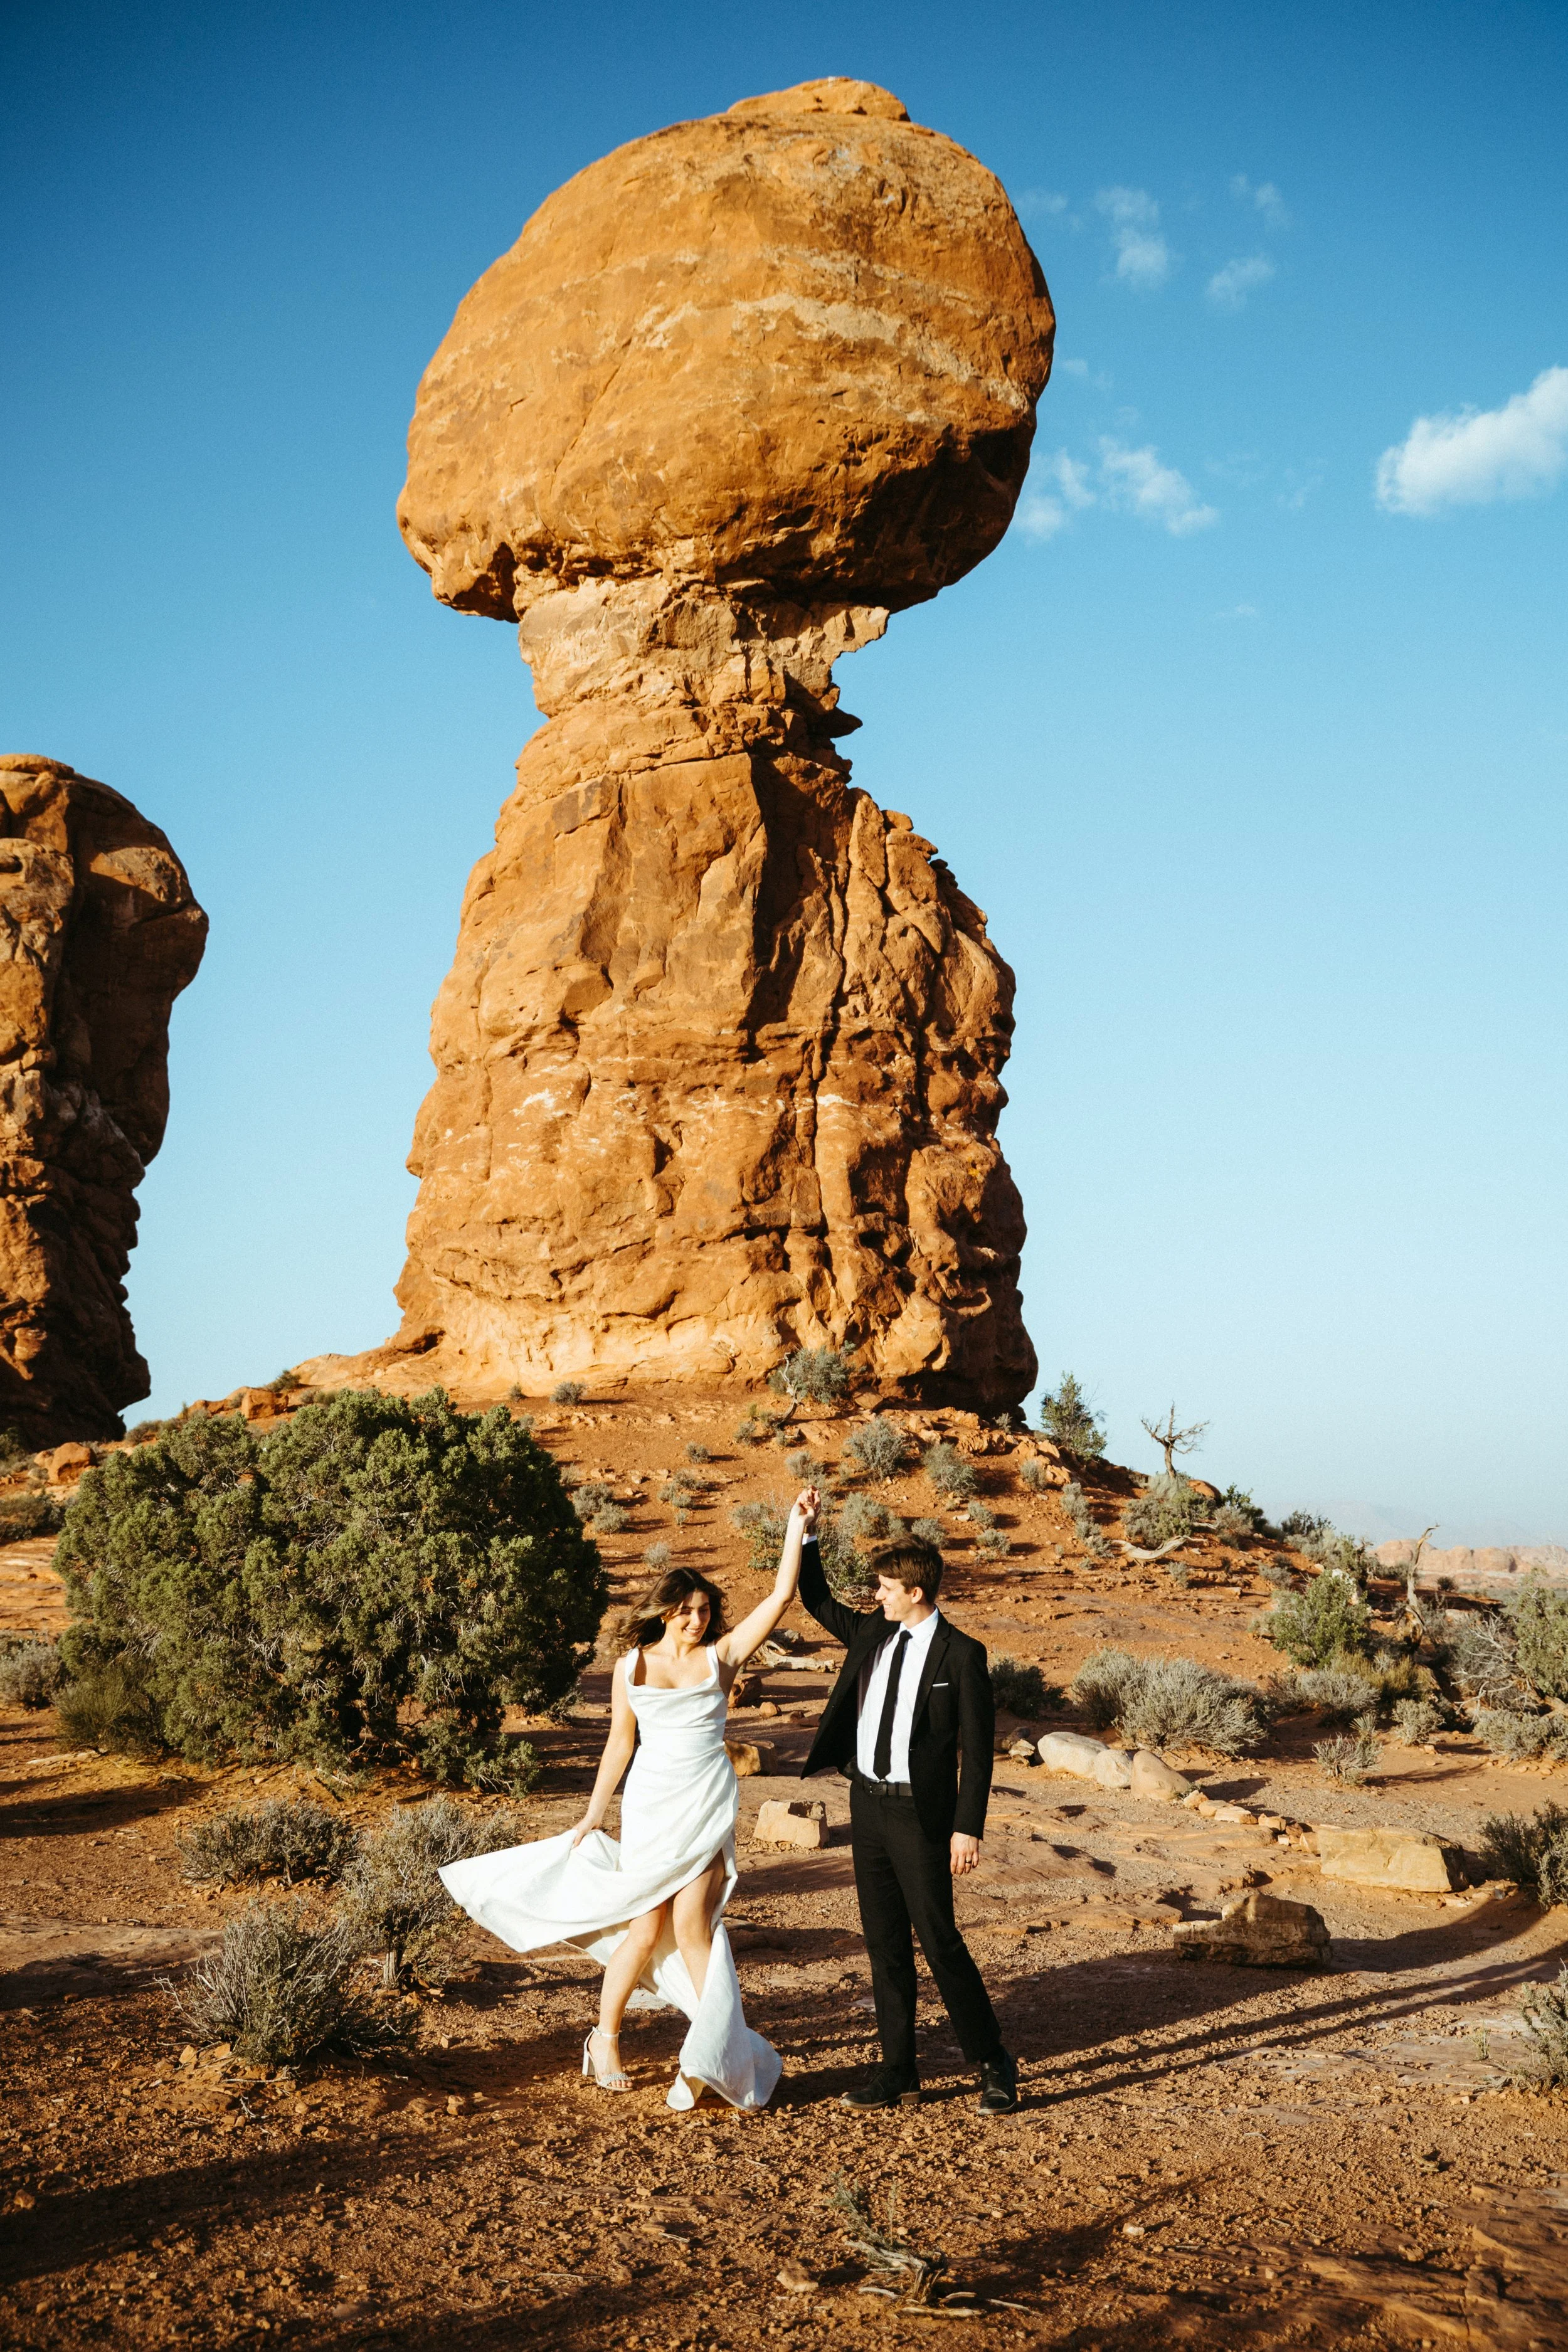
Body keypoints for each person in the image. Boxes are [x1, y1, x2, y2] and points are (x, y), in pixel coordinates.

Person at [438, 1488, 820, 2111]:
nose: (697, 1620)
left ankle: (707, 2058)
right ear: (666, 1611)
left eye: (704, 1610)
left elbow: (779, 1598)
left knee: (696, 1929)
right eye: (687, 1610)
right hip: (651, 1807)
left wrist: (794, 1528)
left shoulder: (720, 1657)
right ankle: (604, 2039)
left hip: (704, 1806)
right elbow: (620, 1743)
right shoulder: (632, 1668)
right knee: (643, 1931)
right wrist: (593, 1812)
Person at [798, 1529, 1019, 2114]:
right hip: (866, 1806)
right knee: (884, 1945)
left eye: (887, 1588)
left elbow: (977, 1750)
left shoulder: (961, 1654)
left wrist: (966, 1827)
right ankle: (898, 2071)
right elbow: (815, 1597)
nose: (878, 1597)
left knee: (939, 1939)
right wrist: (810, 1533)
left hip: (920, 1815)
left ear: (917, 1591)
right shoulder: (874, 1632)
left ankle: (993, 2061)